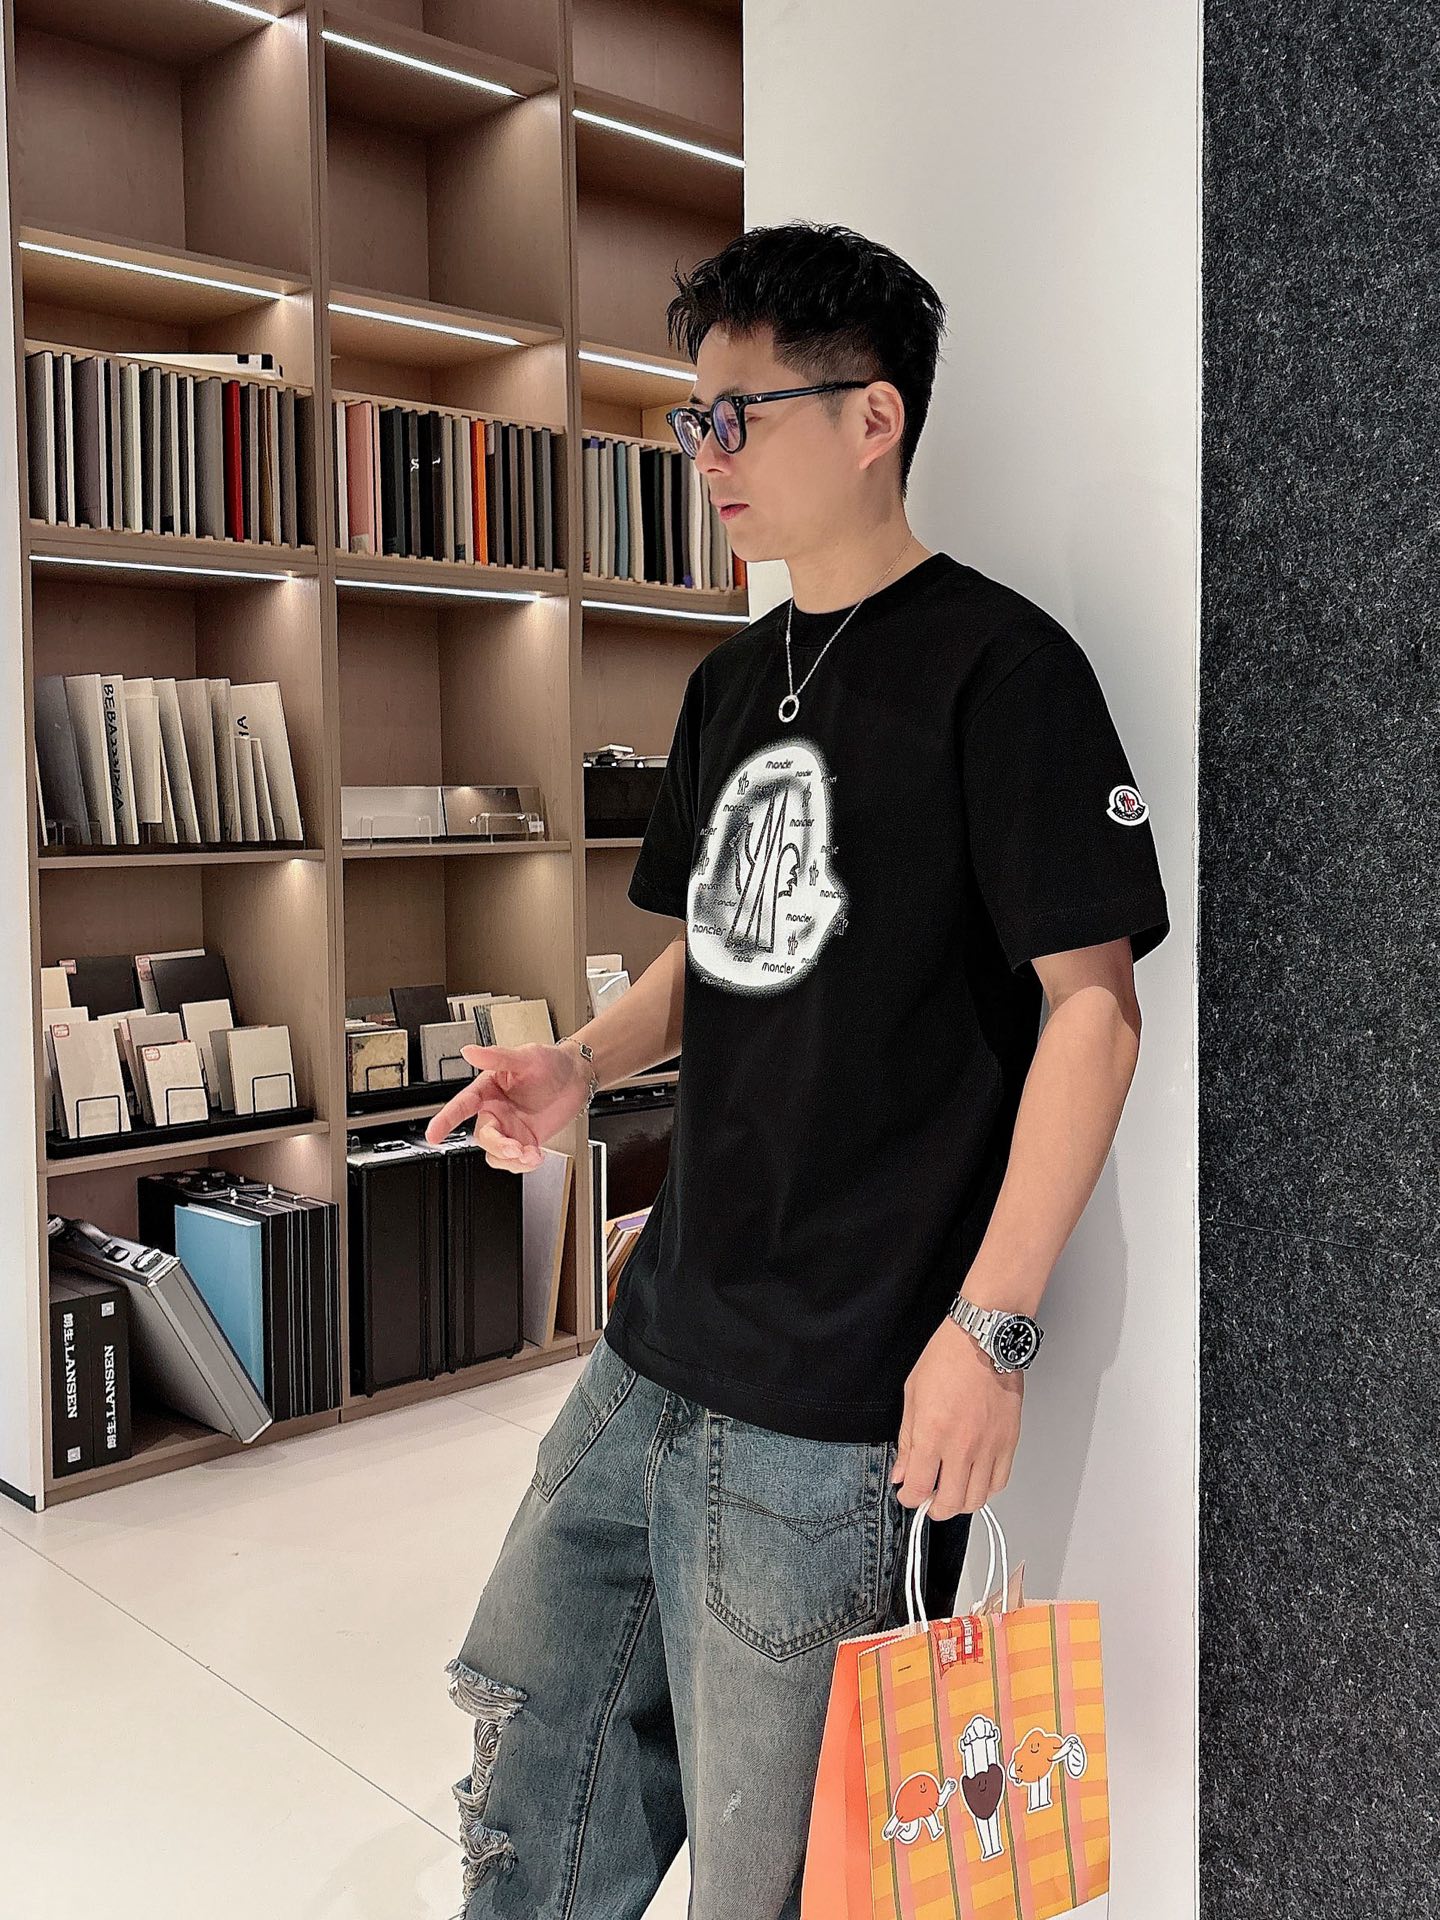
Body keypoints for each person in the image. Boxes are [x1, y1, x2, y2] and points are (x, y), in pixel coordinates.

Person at [424, 219, 1170, 1919]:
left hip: (837, 1408)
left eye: (737, 415)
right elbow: (717, 953)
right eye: (693, 417)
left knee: (770, 1882)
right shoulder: (724, 680)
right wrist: (582, 1065)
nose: (706, 454)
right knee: (534, 1781)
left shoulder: (1005, 673)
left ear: (873, 418)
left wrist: (991, 1332)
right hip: (655, 1346)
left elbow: (1095, 1012)